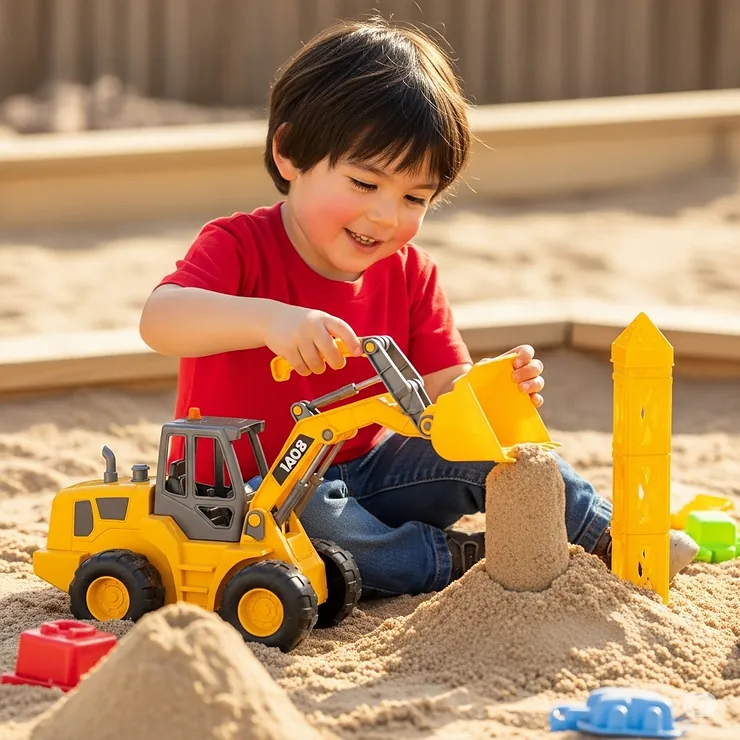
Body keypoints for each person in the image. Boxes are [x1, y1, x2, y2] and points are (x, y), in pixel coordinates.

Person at [139, 18, 697, 599]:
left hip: (360, 473)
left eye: (413, 198)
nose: (385, 216)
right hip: (243, 494)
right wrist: (267, 319)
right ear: (288, 154)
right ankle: (459, 562)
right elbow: (161, 319)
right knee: (316, 528)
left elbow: (442, 396)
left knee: (505, 452)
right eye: (363, 183)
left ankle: (613, 534)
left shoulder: (410, 273)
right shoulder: (238, 247)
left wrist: (490, 390)